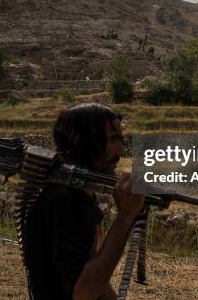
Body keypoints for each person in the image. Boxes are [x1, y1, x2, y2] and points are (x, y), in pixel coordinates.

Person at [22, 103, 145, 300]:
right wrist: (124, 219)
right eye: (113, 139)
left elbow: (93, 271)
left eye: (120, 140)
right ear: (80, 140)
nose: (120, 150)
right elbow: (84, 291)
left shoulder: (80, 194)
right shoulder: (61, 201)